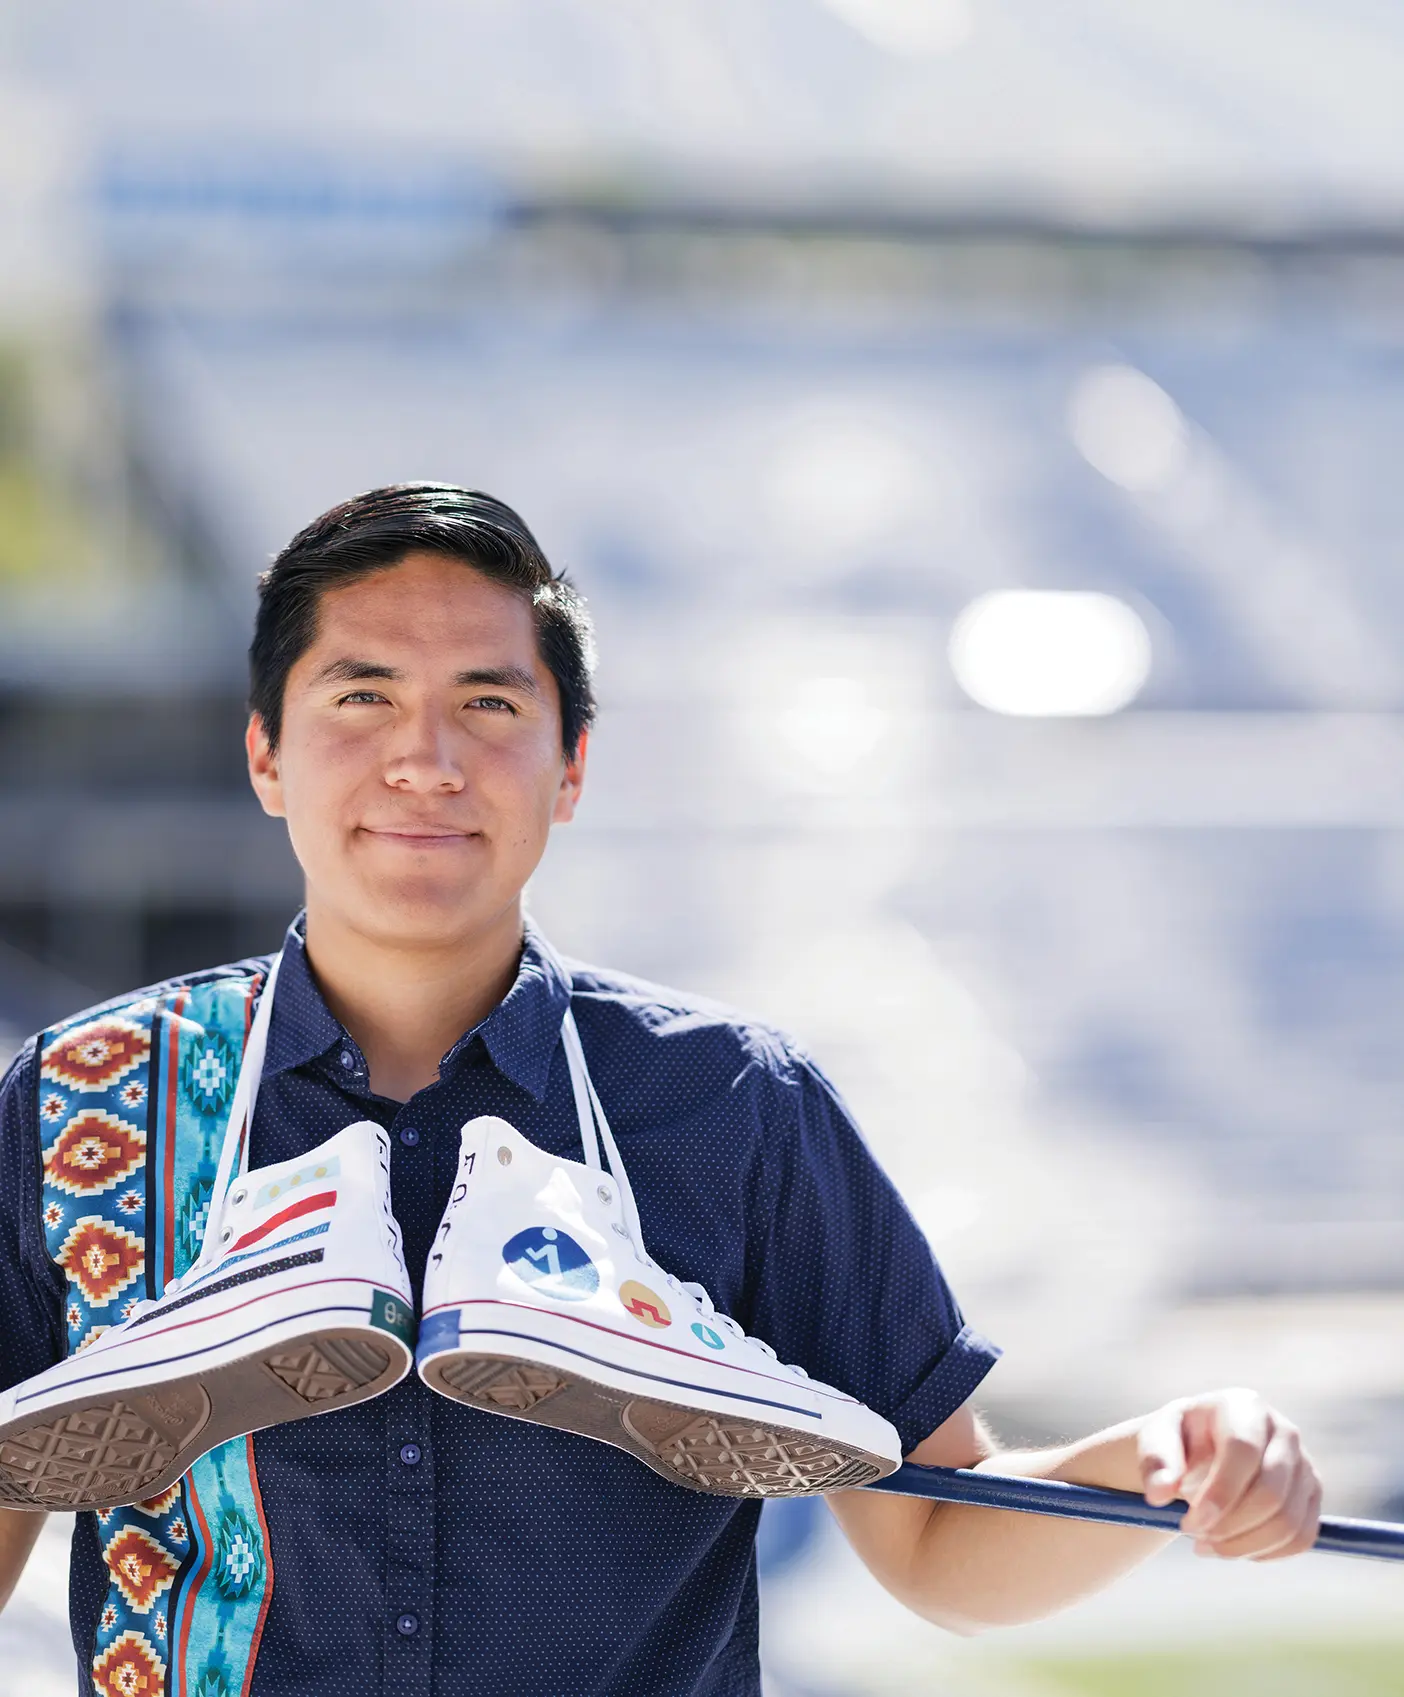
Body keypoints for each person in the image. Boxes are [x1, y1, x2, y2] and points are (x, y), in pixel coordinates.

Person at [0, 484, 1322, 1697]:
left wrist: (1165, 1462)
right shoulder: (81, 1099)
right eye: (360, 697)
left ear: (570, 768)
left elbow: (934, 1535)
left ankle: (587, 1292)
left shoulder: (735, 1108)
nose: (427, 759)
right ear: (266, 758)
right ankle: (255, 1277)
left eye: (489, 703)